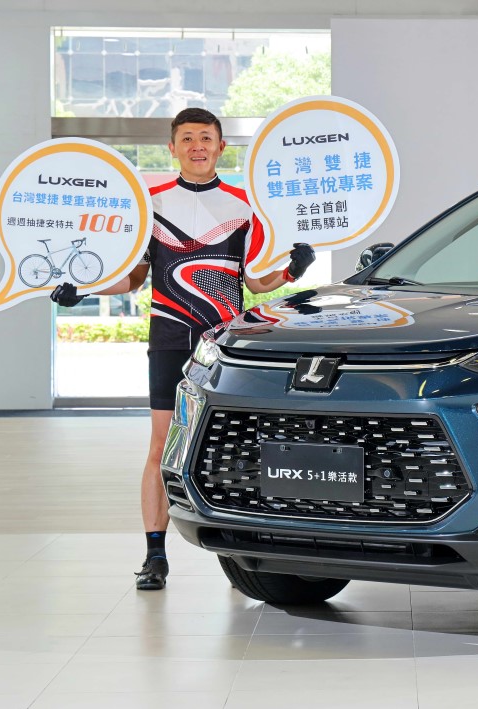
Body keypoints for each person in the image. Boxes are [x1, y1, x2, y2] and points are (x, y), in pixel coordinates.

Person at [51, 108, 316, 591]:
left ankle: (243, 552)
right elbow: (133, 278)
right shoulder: (149, 206)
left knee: (238, 444)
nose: (198, 146)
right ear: (172, 148)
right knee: (160, 445)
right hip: (170, 337)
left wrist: (292, 270)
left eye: (206, 138)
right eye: (188, 138)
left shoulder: (245, 207)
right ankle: (155, 555)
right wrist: (82, 290)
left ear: (221, 146)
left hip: (226, 342)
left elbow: (255, 282)